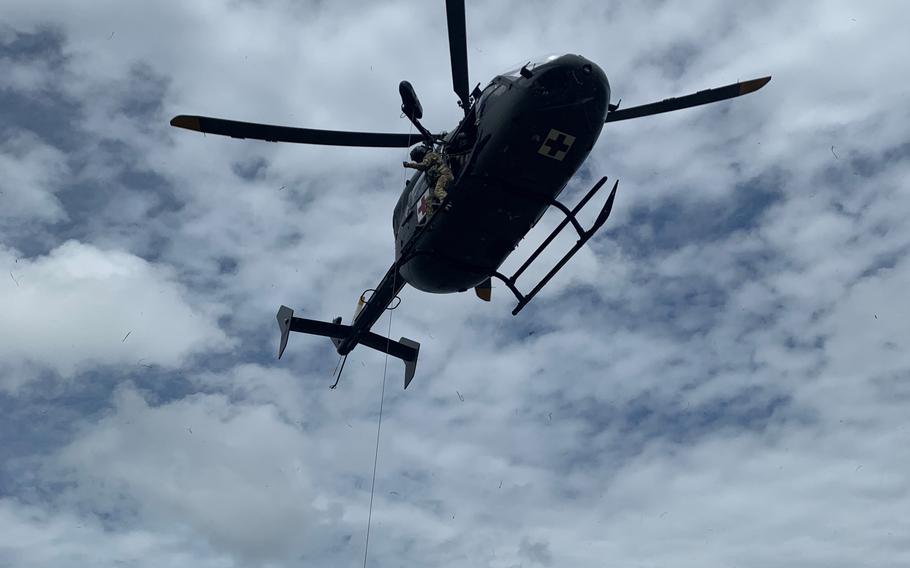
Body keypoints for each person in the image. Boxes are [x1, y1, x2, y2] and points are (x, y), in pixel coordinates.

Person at [403, 146, 453, 220]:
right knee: (428, 200)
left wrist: (409, 165)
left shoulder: (430, 156)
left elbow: (423, 165)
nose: (417, 161)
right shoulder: (428, 159)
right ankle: (429, 219)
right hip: (437, 180)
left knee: (438, 191)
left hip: (444, 175)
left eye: (417, 159)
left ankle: (446, 204)